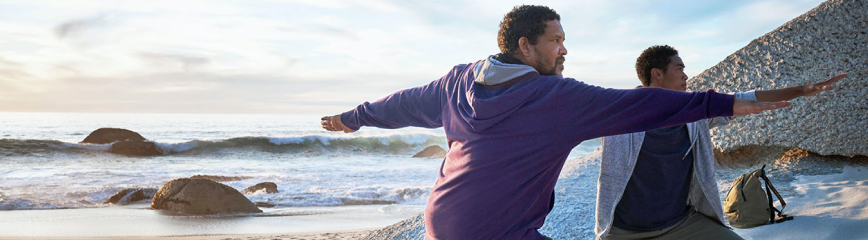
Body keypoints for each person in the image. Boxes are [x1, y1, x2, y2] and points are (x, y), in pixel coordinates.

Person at [321, 6, 789, 240]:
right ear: (525, 46)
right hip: (499, 231)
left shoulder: (458, 81)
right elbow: (648, 105)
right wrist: (742, 101)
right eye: (557, 40)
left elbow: (400, 104)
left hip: (442, 221)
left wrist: (351, 117)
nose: (564, 50)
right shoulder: (555, 98)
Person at [594, 45, 846, 240]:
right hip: (625, 232)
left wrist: (802, 90)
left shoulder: (694, 111)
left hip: (682, 224)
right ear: (657, 74)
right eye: (679, 68)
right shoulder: (621, 113)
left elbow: (745, 98)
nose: (686, 75)